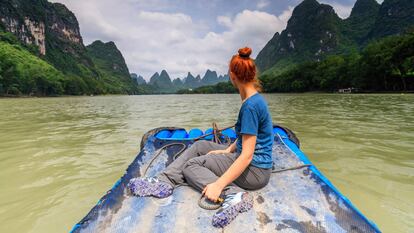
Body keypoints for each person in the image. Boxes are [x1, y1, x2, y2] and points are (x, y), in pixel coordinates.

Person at [128, 47, 274, 228]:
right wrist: (227, 150)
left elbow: (247, 155)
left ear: (232, 75)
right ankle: (165, 180)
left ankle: (233, 195)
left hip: (255, 171)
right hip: (256, 166)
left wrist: (219, 185)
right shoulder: (254, 100)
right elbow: (248, 136)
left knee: (191, 166)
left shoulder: (251, 106)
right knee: (201, 145)